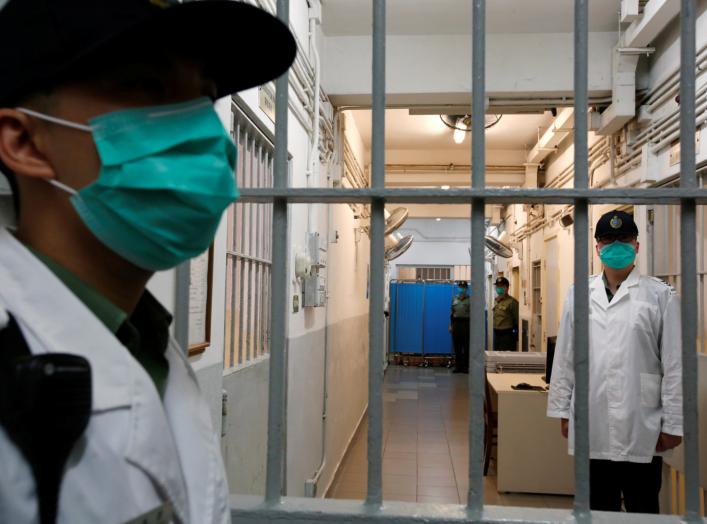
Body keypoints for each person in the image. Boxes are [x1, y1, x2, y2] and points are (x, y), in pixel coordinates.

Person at [0, 1, 295, 522]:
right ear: (25, 141)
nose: (206, 136)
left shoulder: (147, 344)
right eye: (146, 89)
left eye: (203, 99)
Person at [547, 210, 683, 514]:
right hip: (592, 417)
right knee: (596, 507)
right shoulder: (579, 294)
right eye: (608, 239)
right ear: (597, 247)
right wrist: (561, 409)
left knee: (643, 507)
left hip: (643, 421)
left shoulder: (660, 296)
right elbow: (566, 355)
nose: (616, 245)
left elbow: (675, 366)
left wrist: (674, 423)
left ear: (636, 245)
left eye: (624, 238)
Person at [492, 277, 519, 351]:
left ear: (507, 288)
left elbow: (517, 321)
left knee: (505, 358)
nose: (498, 288)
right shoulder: (497, 301)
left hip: (507, 335)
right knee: (497, 356)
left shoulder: (512, 302)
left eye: (501, 286)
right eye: (497, 286)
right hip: (497, 333)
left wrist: (515, 335)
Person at [449, 281, 470, 373]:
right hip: (456, 323)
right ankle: (458, 366)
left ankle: (465, 367)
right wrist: (451, 325)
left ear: (466, 289)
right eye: (460, 287)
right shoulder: (454, 298)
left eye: (463, 287)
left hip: (466, 323)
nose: (461, 289)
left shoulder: (470, 299)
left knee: (466, 346)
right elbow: (452, 312)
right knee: (457, 346)